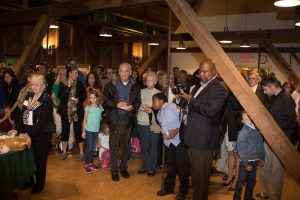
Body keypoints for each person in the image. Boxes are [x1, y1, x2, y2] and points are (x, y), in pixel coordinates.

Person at [178, 59, 227, 200]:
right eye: (200, 71)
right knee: (196, 176)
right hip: (193, 136)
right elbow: (191, 106)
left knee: (201, 177)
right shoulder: (197, 86)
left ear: (214, 72)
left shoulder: (218, 88)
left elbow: (210, 110)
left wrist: (190, 100)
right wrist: (181, 98)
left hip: (204, 139)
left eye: (205, 71)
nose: (201, 74)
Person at [8, 74, 53, 194]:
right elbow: (23, 115)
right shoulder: (29, 97)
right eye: (32, 84)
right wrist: (17, 129)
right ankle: (29, 180)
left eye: (37, 84)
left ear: (43, 86)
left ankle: (39, 184)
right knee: (28, 159)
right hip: (27, 134)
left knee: (40, 161)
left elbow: (44, 122)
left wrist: (28, 134)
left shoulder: (46, 99)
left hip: (41, 136)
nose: (34, 87)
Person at [256, 74, 296, 200]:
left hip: (280, 142)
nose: (264, 91)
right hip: (268, 139)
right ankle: (266, 192)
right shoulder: (272, 97)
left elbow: (291, 122)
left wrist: (274, 125)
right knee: (264, 167)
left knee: (276, 172)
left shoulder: (287, 99)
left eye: (266, 89)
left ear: (273, 86)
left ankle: (274, 196)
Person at [102, 62, 141, 181]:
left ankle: (123, 168)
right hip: (114, 119)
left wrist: (133, 107)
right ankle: (114, 170)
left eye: (126, 71)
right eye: (121, 71)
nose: (123, 73)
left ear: (130, 72)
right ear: (118, 72)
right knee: (113, 147)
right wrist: (116, 104)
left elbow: (138, 102)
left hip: (127, 120)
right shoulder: (110, 85)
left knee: (125, 147)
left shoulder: (136, 86)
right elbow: (104, 102)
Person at [153, 93, 189, 200]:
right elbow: (163, 126)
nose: (153, 103)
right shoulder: (159, 113)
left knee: (183, 168)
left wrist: (177, 130)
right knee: (171, 167)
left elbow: (184, 117)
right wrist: (165, 136)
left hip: (179, 142)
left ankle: (183, 191)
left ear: (161, 101)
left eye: (154, 101)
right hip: (169, 144)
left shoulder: (171, 107)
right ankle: (169, 188)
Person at [233, 111, 265, 200]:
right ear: (242, 120)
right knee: (241, 181)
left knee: (251, 181)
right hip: (245, 162)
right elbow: (241, 149)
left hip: (255, 160)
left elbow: (260, 145)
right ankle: (236, 197)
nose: (249, 116)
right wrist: (246, 163)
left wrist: (262, 157)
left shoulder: (256, 130)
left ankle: (248, 197)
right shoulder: (243, 132)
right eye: (246, 116)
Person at [58, 65, 86, 161]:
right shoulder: (63, 84)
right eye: (75, 73)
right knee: (65, 131)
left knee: (78, 131)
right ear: (69, 73)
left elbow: (84, 96)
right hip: (65, 111)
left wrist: (79, 99)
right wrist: (68, 87)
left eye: (77, 73)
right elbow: (61, 96)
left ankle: (81, 152)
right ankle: (64, 151)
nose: (77, 75)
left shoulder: (79, 84)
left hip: (76, 111)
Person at [137, 72, 161, 176]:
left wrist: (152, 110)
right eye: (147, 80)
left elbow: (161, 110)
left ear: (155, 82)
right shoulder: (140, 92)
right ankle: (144, 166)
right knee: (144, 146)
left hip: (153, 124)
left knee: (153, 146)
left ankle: (152, 168)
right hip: (141, 122)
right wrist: (141, 107)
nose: (148, 82)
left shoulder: (159, 93)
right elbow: (135, 104)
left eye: (151, 81)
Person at [82, 90, 104, 173]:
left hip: (96, 131)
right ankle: (86, 164)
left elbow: (100, 119)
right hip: (89, 130)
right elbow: (84, 120)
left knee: (93, 148)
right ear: (89, 99)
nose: (93, 100)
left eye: (94, 98)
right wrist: (83, 131)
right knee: (89, 147)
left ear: (97, 98)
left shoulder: (100, 108)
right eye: (91, 98)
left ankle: (90, 163)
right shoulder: (88, 108)